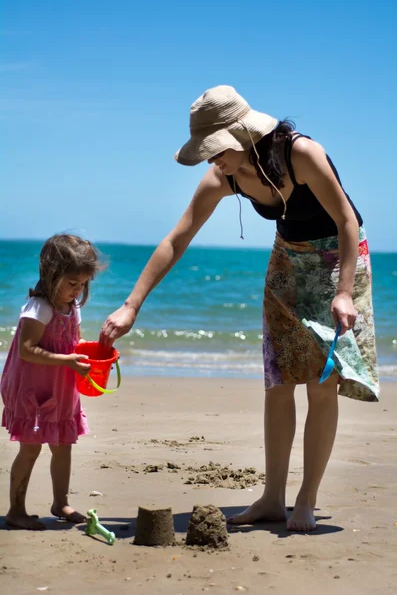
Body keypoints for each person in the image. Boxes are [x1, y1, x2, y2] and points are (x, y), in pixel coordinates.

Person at [99, 86, 379, 531]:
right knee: (279, 379)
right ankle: (272, 499)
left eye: (215, 151)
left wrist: (343, 293)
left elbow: (347, 219)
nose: (213, 162)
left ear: (241, 136)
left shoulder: (301, 153)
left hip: (338, 262)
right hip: (288, 259)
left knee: (321, 384)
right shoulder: (223, 176)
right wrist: (131, 305)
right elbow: (177, 239)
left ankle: (306, 500)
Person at [1, 234, 103, 530]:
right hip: (33, 389)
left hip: (61, 389)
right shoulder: (39, 307)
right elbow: (27, 349)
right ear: (51, 274)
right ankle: (15, 509)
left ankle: (60, 502)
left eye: (83, 284)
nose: (78, 290)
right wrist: (67, 361)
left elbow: (74, 342)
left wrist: (93, 354)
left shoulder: (73, 307)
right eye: (72, 283)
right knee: (30, 447)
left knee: (63, 444)